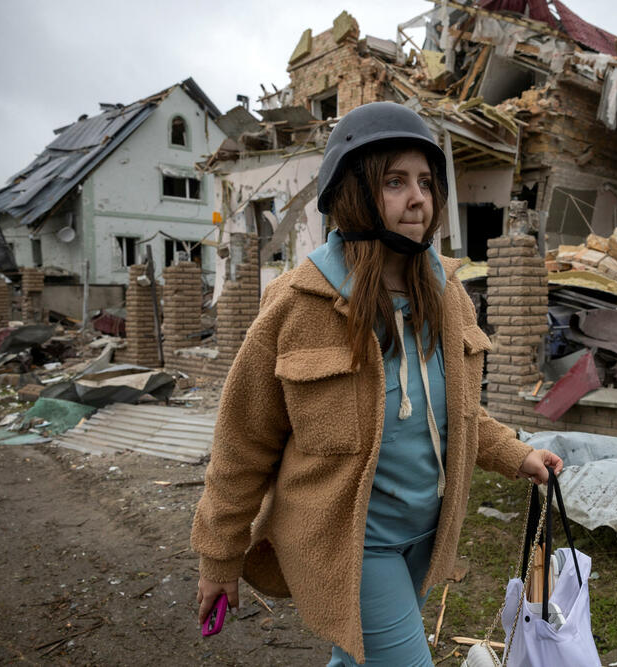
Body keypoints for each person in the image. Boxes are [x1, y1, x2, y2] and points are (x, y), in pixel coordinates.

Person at [191, 101, 563, 666]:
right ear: (355, 194)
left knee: (357, 658)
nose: (419, 197)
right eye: (395, 181)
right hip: (350, 546)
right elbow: (241, 446)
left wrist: (518, 455)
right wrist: (219, 556)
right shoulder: (297, 307)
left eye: (424, 181)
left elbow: (460, 415)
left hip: (424, 540)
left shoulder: (449, 299)